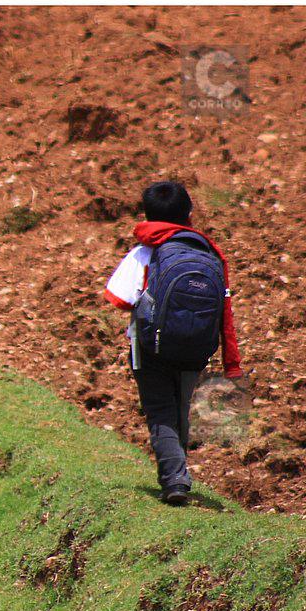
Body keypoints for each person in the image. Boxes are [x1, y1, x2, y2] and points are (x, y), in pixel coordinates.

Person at [103, 181, 242, 505]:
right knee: (179, 406)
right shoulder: (207, 252)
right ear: (189, 214)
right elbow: (223, 307)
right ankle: (178, 470)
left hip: (151, 348)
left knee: (160, 410)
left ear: (148, 215)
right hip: (197, 347)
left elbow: (119, 298)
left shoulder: (146, 251)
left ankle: (174, 480)